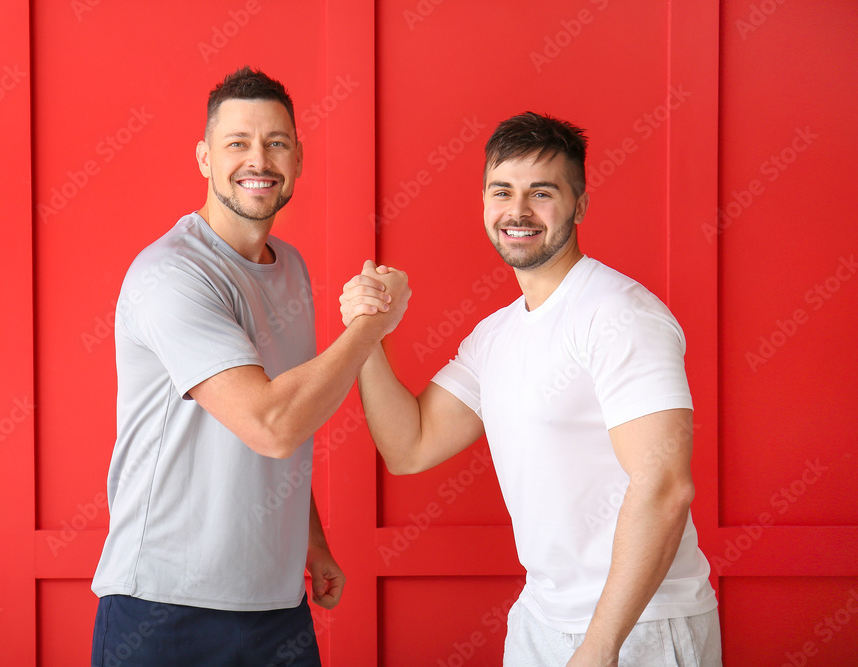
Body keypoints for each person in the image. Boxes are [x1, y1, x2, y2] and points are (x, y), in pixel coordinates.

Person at [340, 112, 720, 666]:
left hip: (642, 626)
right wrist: (368, 334)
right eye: (502, 191)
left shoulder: (621, 314)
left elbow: (665, 486)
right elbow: (410, 446)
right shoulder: (495, 336)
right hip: (540, 620)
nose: (517, 212)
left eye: (541, 193)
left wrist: (599, 646)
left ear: (579, 206)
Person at [90, 66, 409, 666]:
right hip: (165, 606)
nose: (258, 159)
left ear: (298, 159)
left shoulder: (286, 265)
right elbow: (271, 423)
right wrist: (371, 326)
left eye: (276, 143)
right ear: (204, 158)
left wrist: (309, 540)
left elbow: (286, 410)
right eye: (237, 143)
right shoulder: (172, 275)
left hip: (275, 606)